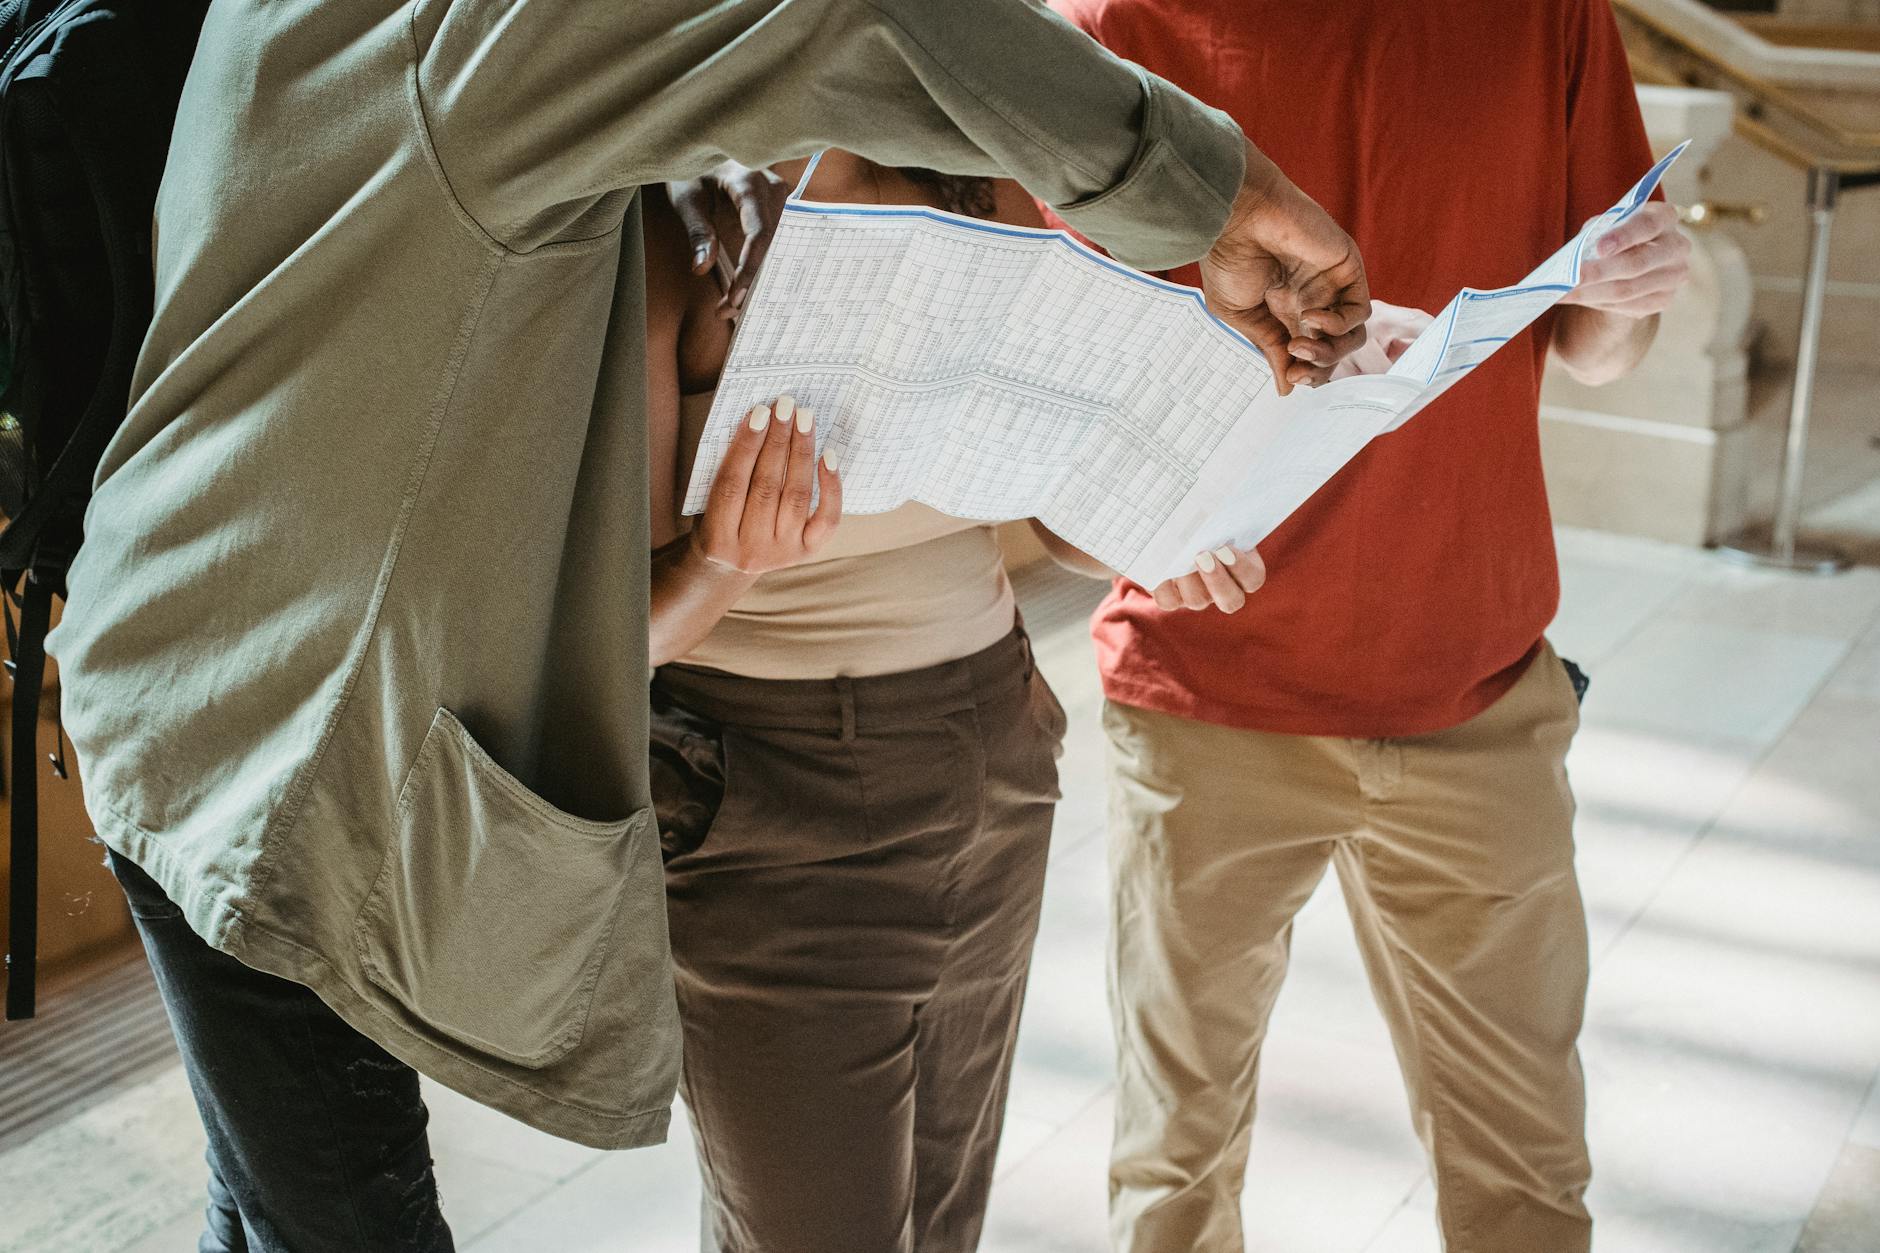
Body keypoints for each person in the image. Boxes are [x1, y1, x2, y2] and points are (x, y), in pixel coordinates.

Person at [42, 0, 1372, 1247]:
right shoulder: (507, 70)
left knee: (280, 1201)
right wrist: (1221, 194)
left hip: (220, 672)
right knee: (343, 1216)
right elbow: (842, 24)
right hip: (275, 738)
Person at [1043, 2, 1692, 1250]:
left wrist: (1631, 291)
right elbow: (1070, 383)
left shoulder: (1546, 16)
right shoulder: (1115, 19)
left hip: (1476, 683)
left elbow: (1602, 341)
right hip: (1204, 692)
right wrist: (1128, 533)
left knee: (1526, 1169)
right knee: (1169, 1168)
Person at [642, 153, 1263, 1253]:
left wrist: (1149, 540)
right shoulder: (662, 224)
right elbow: (590, 637)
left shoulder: (979, 189)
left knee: (942, 1218)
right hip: (766, 802)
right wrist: (721, 565)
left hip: (991, 753)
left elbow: (1050, 502)